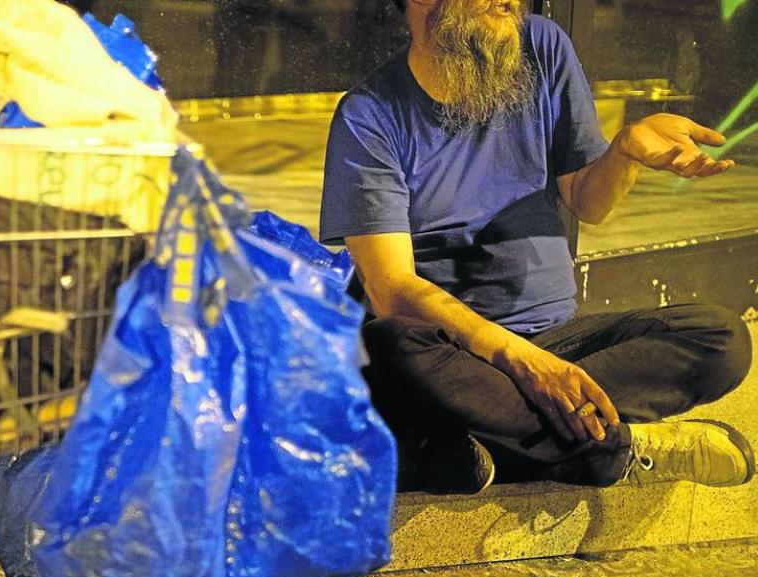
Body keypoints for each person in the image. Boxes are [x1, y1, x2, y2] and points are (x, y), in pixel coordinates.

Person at [320, 0, 754, 494]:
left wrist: (625, 152)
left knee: (721, 339)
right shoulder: (369, 116)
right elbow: (391, 289)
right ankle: (615, 450)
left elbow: (586, 201)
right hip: (456, 351)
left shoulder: (543, 46)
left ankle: (481, 441)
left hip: (554, 339)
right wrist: (524, 364)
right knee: (392, 346)